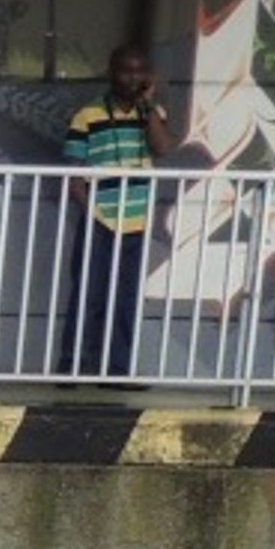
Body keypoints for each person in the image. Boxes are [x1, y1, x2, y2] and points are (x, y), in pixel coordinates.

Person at [59, 44, 175, 377]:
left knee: (126, 299)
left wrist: (148, 105)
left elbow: (163, 148)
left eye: (140, 71)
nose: (133, 77)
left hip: (136, 221)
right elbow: (73, 173)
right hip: (100, 219)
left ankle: (117, 368)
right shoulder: (88, 115)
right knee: (88, 294)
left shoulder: (151, 113)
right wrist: (92, 213)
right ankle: (71, 365)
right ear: (111, 73)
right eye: (126, 70)